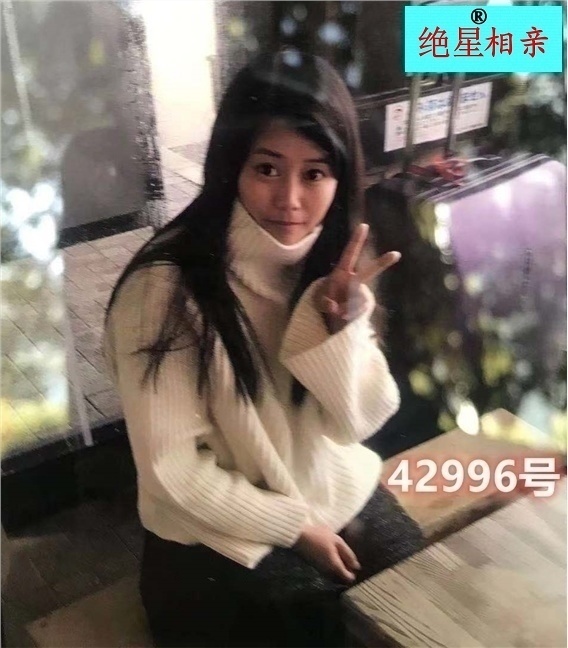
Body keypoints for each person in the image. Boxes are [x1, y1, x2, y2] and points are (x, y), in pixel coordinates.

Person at [103, 50, 425, 648]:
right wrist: (296, 527)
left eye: (315, 174)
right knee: (318, 627)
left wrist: (340, 329)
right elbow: (173, 471)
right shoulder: (164, 290)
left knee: (420, 592)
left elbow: (359, 423)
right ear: (231, 165)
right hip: (208, 533)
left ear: (340, 178)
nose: (291, 200)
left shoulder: (334, 264)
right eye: (268, 168)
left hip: (326, 487)